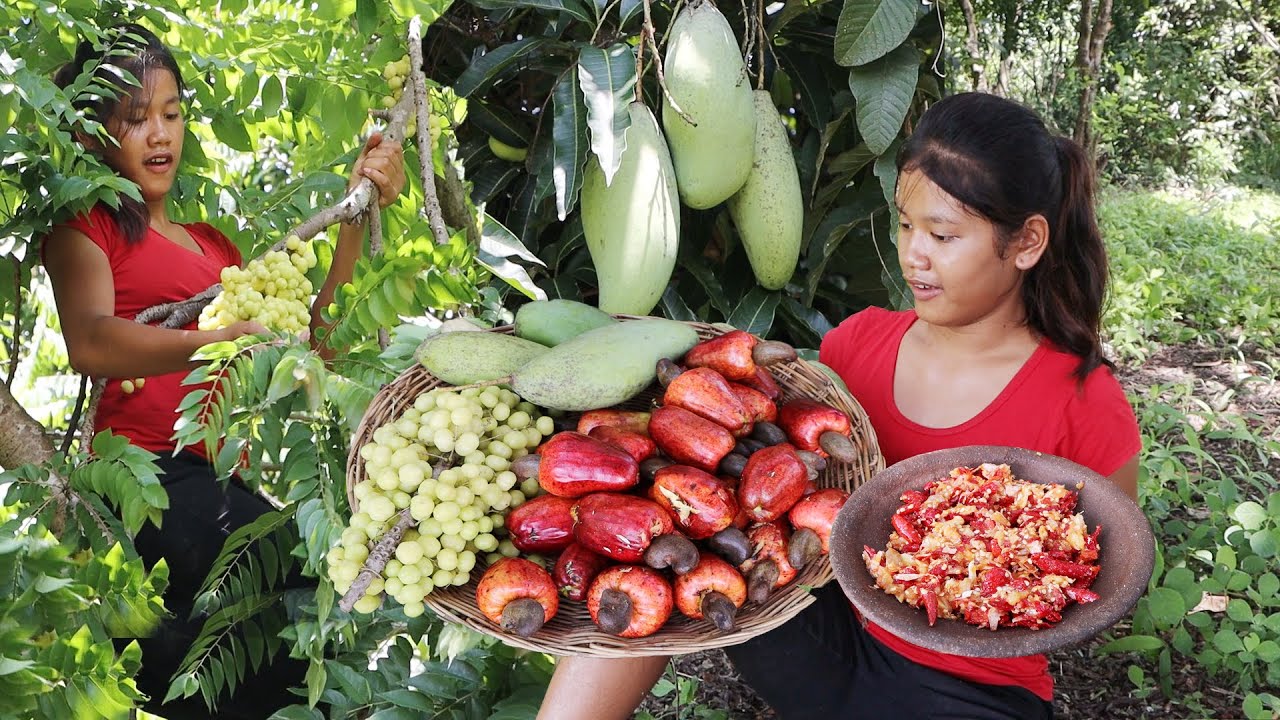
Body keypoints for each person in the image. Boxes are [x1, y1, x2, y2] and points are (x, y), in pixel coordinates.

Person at [534, 92, 1141, 719]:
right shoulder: (857, 346)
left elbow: (1101, 565)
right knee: (658, 545)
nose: (914, 254)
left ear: (1027, 241)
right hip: (820, 638)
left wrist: (987, 572)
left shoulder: (1082, 401)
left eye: (943, 234)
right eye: (905, 225)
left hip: (974, 688)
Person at [42, 23, 406, 719]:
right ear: (93, 131)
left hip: (213, 482)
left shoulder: (214, 250)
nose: (159, 136)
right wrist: (216, 341)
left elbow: (313, 351)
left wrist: (356, 213)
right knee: (301, 583)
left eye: (172, 115)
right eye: (135, 118)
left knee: (238, 668)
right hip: (144, 479)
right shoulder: (85, 225)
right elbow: (90, 342)